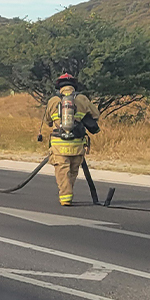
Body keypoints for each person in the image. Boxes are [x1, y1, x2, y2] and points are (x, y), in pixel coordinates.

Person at [45, 73, 100, 206]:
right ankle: (67, 194)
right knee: (73, 170)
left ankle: (65, 198)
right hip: (77, 143)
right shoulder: (82, 99)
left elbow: (48, 122)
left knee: (62, 171)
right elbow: (96, 115)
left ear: (59, 87)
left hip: (59, 144)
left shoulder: (53, 100)